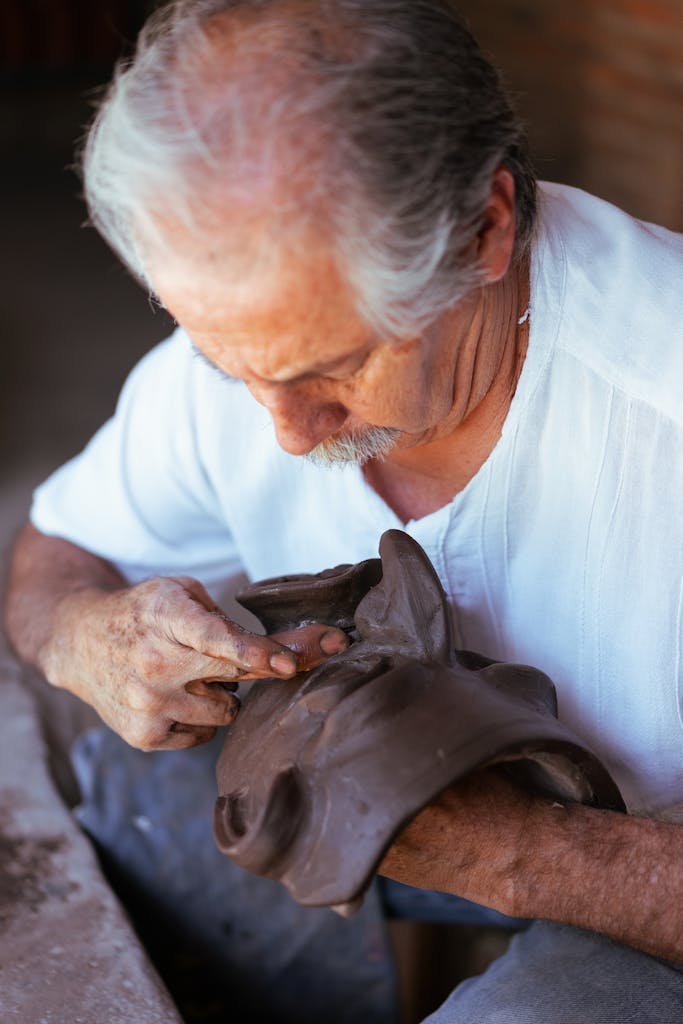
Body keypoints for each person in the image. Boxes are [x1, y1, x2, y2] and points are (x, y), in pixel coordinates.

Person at [5, 1, 683, 1020]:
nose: (283, 430)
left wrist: (507, 852)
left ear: (485, 229)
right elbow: (56, 555)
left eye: (336, 365)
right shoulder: (251, 352)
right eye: (229, 365)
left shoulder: (658, 393)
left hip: (646, 873)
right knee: (137, 784)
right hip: (426, 813)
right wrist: (86, 635)